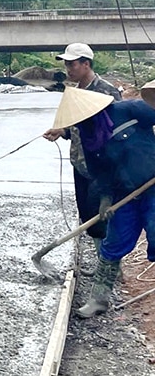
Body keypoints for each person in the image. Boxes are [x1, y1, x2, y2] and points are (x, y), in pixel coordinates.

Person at [51, 87, 155, 318]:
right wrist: (105, 199)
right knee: (113, 244)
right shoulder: (89, 137)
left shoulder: (129, 109)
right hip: (124, 195)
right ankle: (98, 300)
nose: (80, 124)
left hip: (152, 189)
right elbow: (101, 172)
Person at [43, 43, 121, 273]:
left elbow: (114, 132)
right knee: (87, 213)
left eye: (72, 63)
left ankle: (109, 269)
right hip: (81, 165)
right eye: (66, 64)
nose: (68, 68)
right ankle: (101, 264)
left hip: (102, 168)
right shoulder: (75, 93)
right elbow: (80, 129)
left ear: (86, 64)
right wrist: (62, 131)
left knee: (103, 218)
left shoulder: (107, 93)